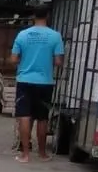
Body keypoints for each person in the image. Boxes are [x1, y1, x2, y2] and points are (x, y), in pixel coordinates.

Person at [10, 9, 65, 163]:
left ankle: (25, 155)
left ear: (33, 16)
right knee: (42, 118)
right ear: (47, 16)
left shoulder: (22, 35)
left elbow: (13, 59)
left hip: (25, 81)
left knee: (25, 117)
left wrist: (24, 60)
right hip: (45, 82)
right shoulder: (55, 36)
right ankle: (42, 154)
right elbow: (59, 62)